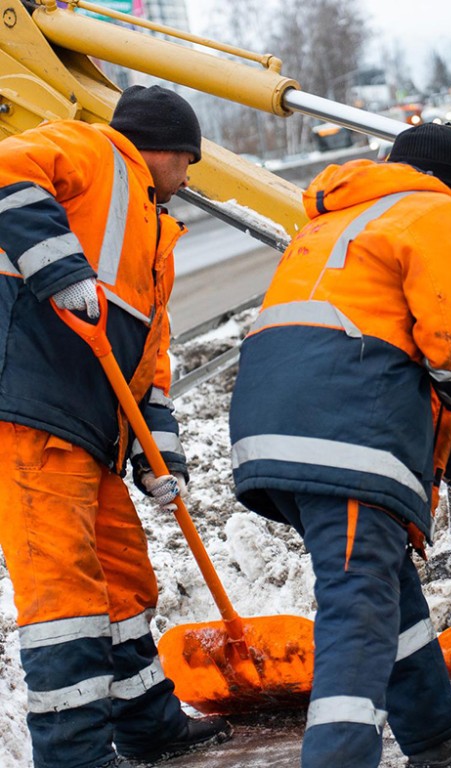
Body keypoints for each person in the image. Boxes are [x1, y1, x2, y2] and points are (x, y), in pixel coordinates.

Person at [229, 122, 451, 768]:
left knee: (382, 581)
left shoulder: (340, 221)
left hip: (281, 428)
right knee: (357, 602)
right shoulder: (435, 212)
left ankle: (434, 732)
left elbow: (392, 360)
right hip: (346, 437)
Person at [0, 85, 232, 767]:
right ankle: (74, 755)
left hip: (93, 433)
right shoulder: (93, 149)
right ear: (169, 148)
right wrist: (59, 268)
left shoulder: (155, 236)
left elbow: (148, 362)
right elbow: (8, 165)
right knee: (65, 594)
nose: (189, 179)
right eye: (189, 161)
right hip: (31, 413)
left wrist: (161, 460)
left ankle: (148, 727)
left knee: (125, 580)